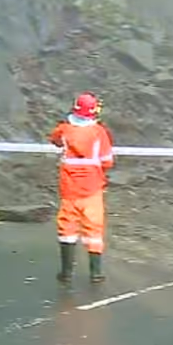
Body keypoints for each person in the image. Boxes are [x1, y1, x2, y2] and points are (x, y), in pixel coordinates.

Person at [49, 92, 115, 283]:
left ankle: (66, 273)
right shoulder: (99, 132)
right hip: (92, 188)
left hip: (69, 189)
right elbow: (107, 161)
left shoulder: (64, 129)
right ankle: (96, 273)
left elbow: (54, 140)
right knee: (93, 228)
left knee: (67, 228)